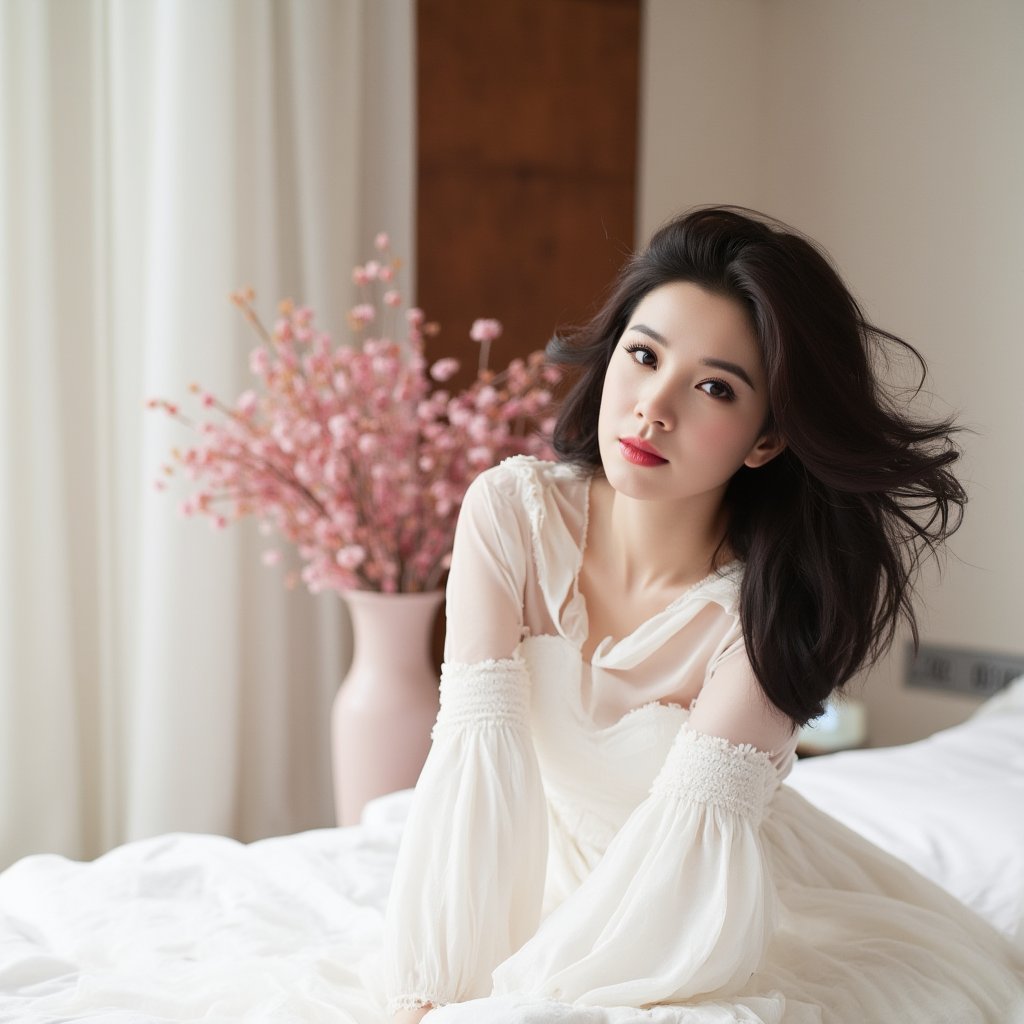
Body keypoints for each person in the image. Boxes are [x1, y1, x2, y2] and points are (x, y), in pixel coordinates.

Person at [382, 207, 1024, 1023]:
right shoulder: (512, 512)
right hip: (544, 876)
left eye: (714, 387)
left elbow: (687, 862)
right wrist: (435, 987)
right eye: (643, 355)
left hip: (700, 912)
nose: (653, 408)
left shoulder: (767, 610)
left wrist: (534, 1002)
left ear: (764, 440)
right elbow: (477, 763)